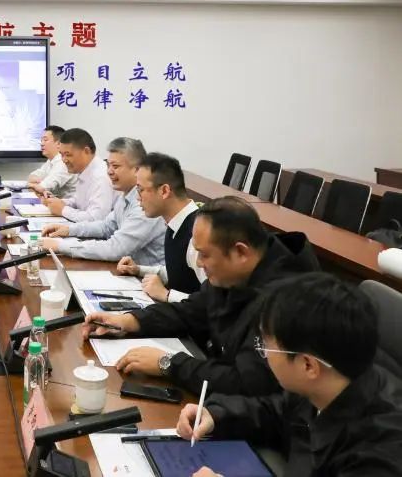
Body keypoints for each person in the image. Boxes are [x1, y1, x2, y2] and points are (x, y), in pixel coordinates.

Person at [82, 196, 320, 396]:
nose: (198, 263)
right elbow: (191, 311)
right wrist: (129, 321)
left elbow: (247, 383)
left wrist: (168, 364)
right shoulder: (234, 273)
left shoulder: (286, 301)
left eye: (204, 255)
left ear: (240, 252)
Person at [178, 274, 402, 477]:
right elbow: (278, 413)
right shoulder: (331, 381)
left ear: (308, 365)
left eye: (266, 346)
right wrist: (217, 415)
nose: (263, 354)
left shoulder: (378, 455)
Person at [42, 138, 165, 266]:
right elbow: (106, 227)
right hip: (128, 269)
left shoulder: (145, 203)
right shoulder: (127, 195)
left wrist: (61, 246)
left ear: (137, 170)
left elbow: (116, 249)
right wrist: (69, 230)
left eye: (115, 166)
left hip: (146, 275)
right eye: (108, 165)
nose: (109, 171)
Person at [117, 152, 206, 302]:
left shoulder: (196, 236)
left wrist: (166, 294)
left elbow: (215, 302)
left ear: (164, 191)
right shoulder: (175, 223)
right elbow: (178, 272)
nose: (138, 198)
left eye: (140, 190)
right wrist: (138, 269)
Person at [40, 128, 115, 222]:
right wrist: (57, 202)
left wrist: (63, 210)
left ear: (86, 151)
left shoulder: (101, 176)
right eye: (61, 155)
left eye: (68, 155)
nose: (64, 160)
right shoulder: (84, 170)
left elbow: (96, 219)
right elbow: (78, 202)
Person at [27, 125, 76, 198]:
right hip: (56, 202)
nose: (41, 144)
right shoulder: (51, 161)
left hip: (69, 204)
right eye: (41, 140)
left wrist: (30, 185)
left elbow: (43, 187)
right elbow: (32, 176)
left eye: (45, 140)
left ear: (59, 143)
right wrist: (35, 183)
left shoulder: (63, 162)